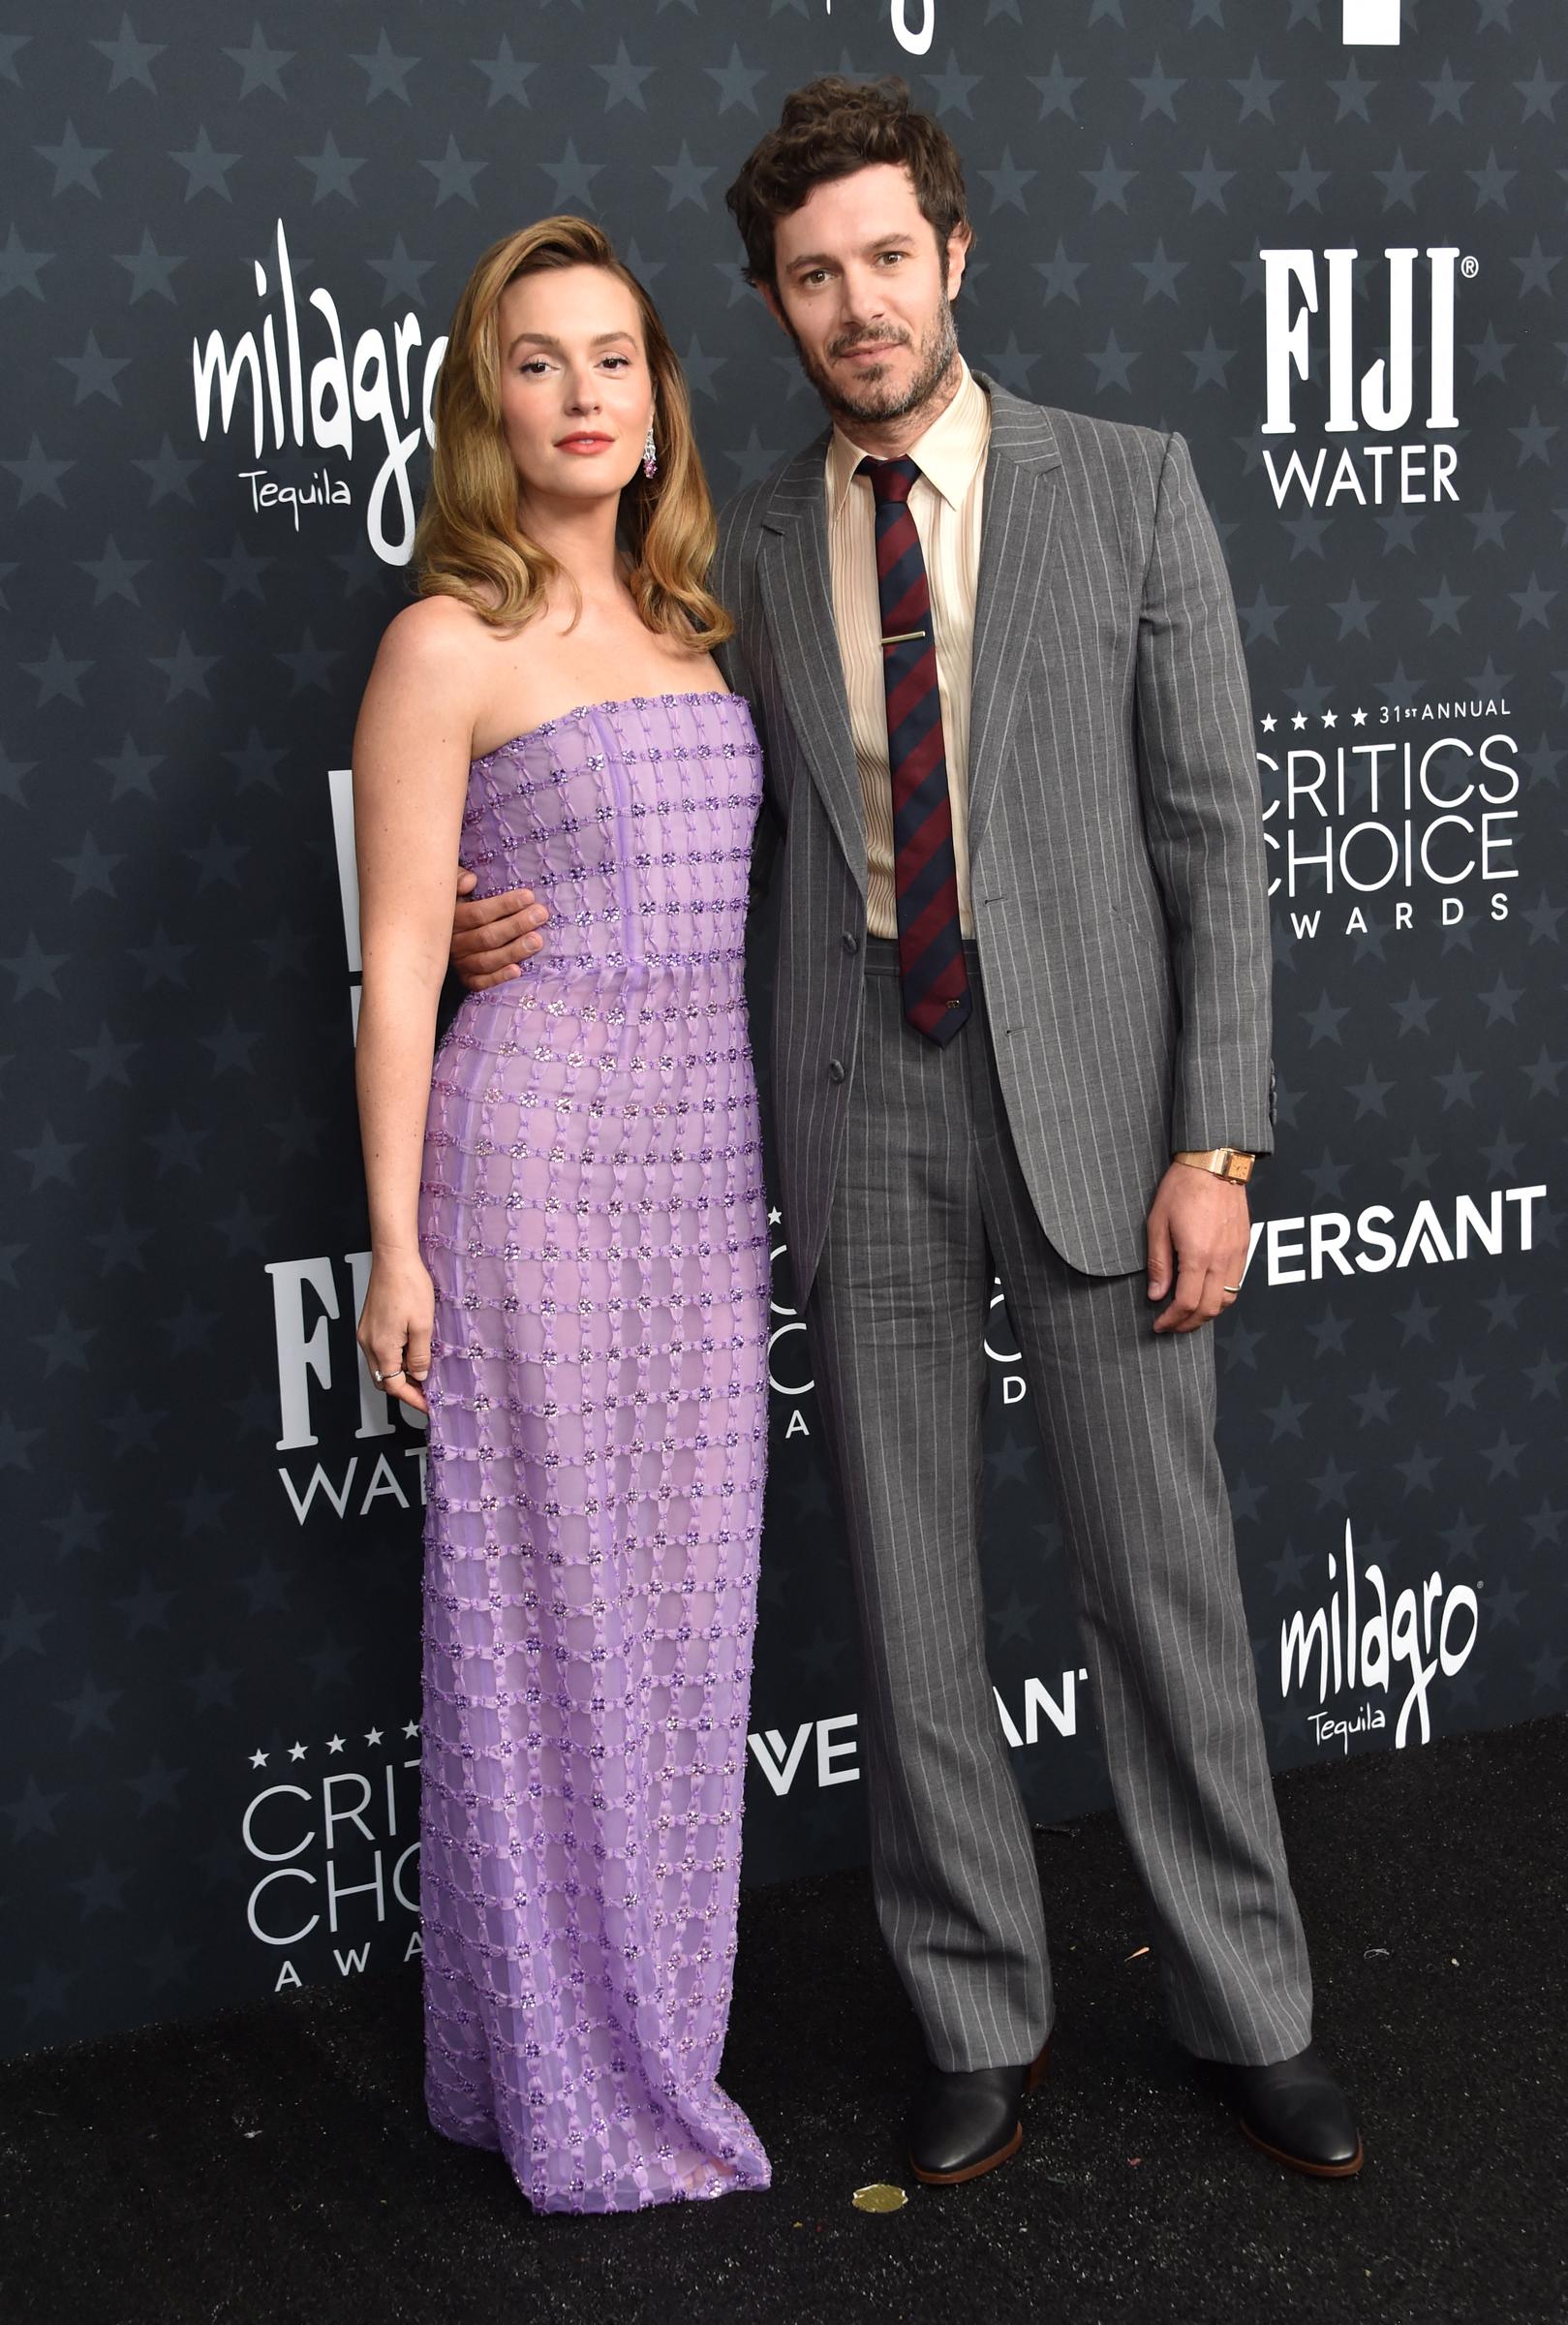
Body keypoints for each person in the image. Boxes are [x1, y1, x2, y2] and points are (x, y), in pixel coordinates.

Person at [450, 79, 1362, 2187]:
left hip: (1104, 1111)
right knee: (911, 1606)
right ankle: (975, 2018)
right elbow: (643, 775)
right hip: (854, 1089)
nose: (857, 304)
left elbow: (1216, 838)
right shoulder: (739, 547)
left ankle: (1254, 2009)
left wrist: (1218, 1142)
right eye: (810, 276)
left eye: (885, 257)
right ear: (772, 307)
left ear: (953, 255)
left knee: (1163, 1586)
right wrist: (501, 906)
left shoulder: (1131, 485)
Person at [351, 215, 771, 2214]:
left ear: (658, 400)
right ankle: (562, 2077)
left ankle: (650, 2039)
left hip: (706, 1177)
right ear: (489, 405)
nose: (584, 394)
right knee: (550, 1631)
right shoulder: (443, 641)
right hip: (530, 1173)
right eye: (540, 361)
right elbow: (399, 969)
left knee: (683, 1629)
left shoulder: (700, 623)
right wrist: (396, 1242)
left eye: (615, 357)